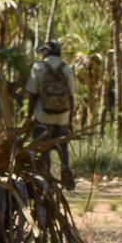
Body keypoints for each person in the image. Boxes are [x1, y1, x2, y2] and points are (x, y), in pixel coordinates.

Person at [25, 39, 77, 189]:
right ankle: (65, 169)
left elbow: (33, 95)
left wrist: (29, 117)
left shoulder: (38, 68)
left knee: (44, 149)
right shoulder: (67, 69)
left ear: (47, 52)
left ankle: (46, 176)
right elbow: (72, 97)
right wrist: (70, 121)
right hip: (62, 117)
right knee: (63, 147)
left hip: (43, 117)